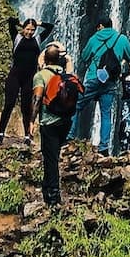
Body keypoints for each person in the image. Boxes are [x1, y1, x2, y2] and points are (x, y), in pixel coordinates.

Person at [75, 17, 130, 158]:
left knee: (77, 105)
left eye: (98, 27)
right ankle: (104, 147)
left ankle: (70, 137)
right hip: (111, 80)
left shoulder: (94, 38)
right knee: (106, 114)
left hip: (93, 77)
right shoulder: (122, 38)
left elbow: (84, 57)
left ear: (101, 26)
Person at [33, 44, 82, 211]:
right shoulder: (66, 74)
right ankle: (47, 190)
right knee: (51, 155)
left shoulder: (41, 76)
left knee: (51, 159)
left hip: (49, 123)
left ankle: (53, 197)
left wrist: (31, 121)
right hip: (66, 122)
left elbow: (37, 99)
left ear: (45, 59)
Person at [0, 14, 55, 147]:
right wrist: (22, 22)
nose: (29, 32)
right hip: (15, 76)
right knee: (9, 104)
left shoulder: (38, 39)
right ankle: (0, 134)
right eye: (27, 29)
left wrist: (37, 23)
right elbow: (11, 21)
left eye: (32, 30)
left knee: (26, 107)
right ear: (23, 28)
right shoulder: (17, 37)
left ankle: (27, 136)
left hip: (30, 77)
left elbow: (50, 27)